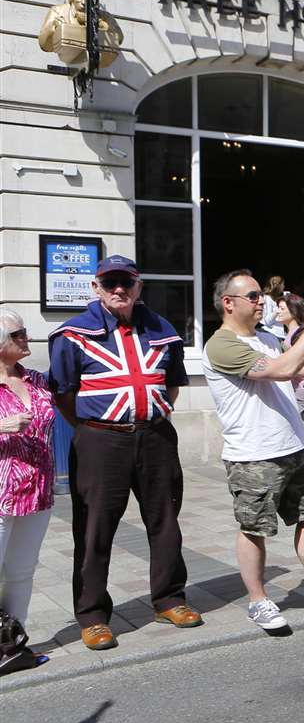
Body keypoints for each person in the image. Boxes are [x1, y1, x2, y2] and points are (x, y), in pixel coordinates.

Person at [48, 255, 200, 651]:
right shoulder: (72, 334)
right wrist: (94, 427)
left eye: (126, 283)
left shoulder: (162, 329)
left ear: (138, 287)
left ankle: (169, 599)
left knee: (165, 520)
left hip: (155, 437)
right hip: (101, 440)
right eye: (110, 282)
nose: (119, 290)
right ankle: (93, 616)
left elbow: (172, 383)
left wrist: (148, 415)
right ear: (96, 287)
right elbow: (62, 392)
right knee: (95, 528)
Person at [203, 271, 304, 630]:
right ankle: (258, 601)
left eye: (261, 295)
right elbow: (281, 369)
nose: (262, 301)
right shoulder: (221, 344)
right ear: (228, 303)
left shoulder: (265, 338)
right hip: (253, 454)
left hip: (292, 446)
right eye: (253, 296)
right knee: (254, 527)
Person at [0, 311, 56, 629]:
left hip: (37, 492)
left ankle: (13, 640)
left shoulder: (36, 378)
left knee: (22, 570)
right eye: (18, 333)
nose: (26, 337)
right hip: (1, 495)